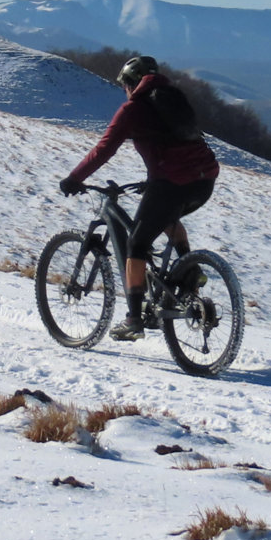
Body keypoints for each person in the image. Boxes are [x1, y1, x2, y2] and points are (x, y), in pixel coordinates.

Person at [59, 56, 220, 342]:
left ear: (131, 83)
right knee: (167, 217)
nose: (125, 90)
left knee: (136, 245)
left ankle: (134, 319)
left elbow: (104, 149)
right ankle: (189, 270)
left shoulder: (133, 109)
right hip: (204, 181)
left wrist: (75, 178)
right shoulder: (172, 99)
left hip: (172, 182)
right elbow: (177, 144)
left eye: (125, 86)